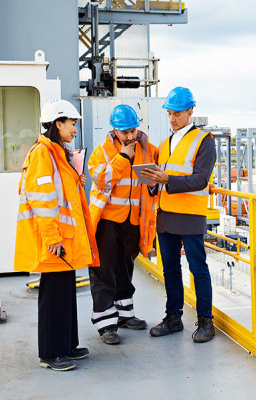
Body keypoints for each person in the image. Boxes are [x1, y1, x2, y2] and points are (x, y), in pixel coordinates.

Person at [14, 99, 99, 371]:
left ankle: (67, 346)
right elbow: (42, 200)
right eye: (72, 123)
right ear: (58, 123)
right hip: (55, 240)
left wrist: (76, 180)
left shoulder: (57, 152)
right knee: (53, 294)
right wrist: (52, 240)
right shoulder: (42, 154)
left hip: (65, 238)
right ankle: (50, 354)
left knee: (65, 292)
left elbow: (60, 193)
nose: (75, 129)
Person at [140, 86, 218, 343]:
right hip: (166, 214)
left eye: (177, 114)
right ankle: (173, 318)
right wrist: (153, 181)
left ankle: (206, 322)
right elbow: (163, 178)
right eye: (169, 114)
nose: (172, 119)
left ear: (190, 111)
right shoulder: (165, 143)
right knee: (170, 269)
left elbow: (201, 180)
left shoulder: (204, 141)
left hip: (190, 216)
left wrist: (168, 179)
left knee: (198, 268)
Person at [87, 104, 158, 345]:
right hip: (107, 220)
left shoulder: (147, 149)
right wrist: (122, 158)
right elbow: (100, 180)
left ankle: (125, 314)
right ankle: (106, 324)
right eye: (124, 132)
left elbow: (162, 167)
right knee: (103, 269)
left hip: (133, 220)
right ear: (114, 130)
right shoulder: (103, 151)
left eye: (133, 131)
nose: (130, 137)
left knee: (125, 267)